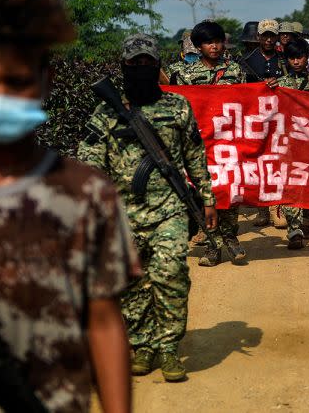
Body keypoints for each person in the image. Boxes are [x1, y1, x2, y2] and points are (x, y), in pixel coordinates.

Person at [0, 0, 137, 413]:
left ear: (46, 81)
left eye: (18, 81)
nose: (1, 97)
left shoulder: (86, 193)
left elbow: (103, 322)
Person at [79, 33, 218, 383]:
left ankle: (169, 348)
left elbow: (194, 155)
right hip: (120, 213)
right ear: (123, 67)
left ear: (157, 66)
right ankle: (142, 345)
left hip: (168, 209)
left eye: (147, 63)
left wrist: (207, 197)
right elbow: (88, 163)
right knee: (130, 283)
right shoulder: (106, 111)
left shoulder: (177, 107)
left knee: (170, 274)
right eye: (134, 64)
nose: (141, 68)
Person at [176, 20, 247, 266]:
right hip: (200, 143)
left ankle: (231, 239)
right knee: (207, 192)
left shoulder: (236, 71)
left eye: (217, 41)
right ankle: (212, 245)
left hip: (229, 142)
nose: (214, 46)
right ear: (198, 46)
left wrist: (267, 88)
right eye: (208, 42)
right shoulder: (184, 74)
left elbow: (248, 100)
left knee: (229, 190)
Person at [272, 39, 309, 249]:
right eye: (292, 57)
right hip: (289, 143)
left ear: (307, 57)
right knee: (291, 186)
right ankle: (294, 230)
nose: (296, 61)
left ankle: (307, 223)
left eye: (300, 57)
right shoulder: (280, 84)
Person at [239, 18, 286, 83]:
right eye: (265, 35)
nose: (269, 40)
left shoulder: (285, 59)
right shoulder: (246, 60)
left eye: (272, 35)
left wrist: (279, 82)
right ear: (258, 36)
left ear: (277, 37)